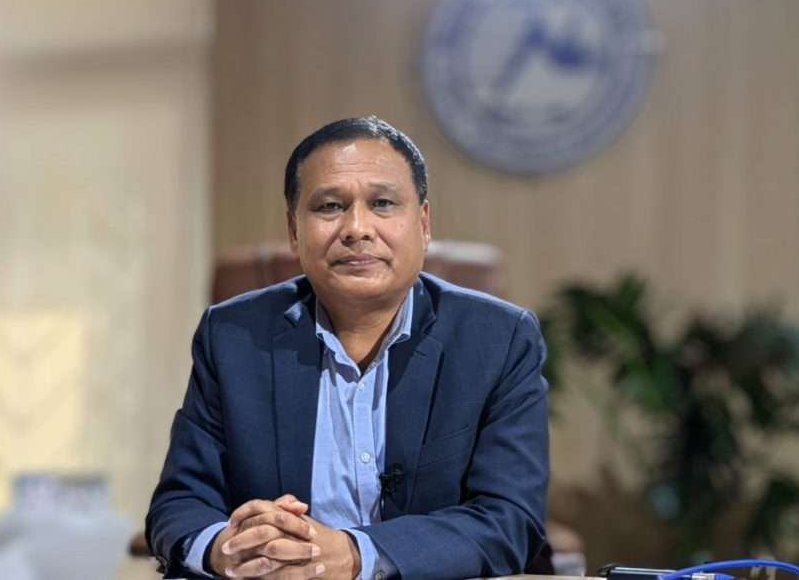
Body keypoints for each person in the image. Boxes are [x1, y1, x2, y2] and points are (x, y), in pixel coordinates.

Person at [146, 116, 549, 580]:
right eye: (330, 206)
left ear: (423, 223)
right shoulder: (233, 337)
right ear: (294, 231)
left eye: (382, 203)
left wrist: (356, 553)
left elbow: (509, 518)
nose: (357, 228)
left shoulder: (499, 340)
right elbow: (179, 502)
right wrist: (228, 548)